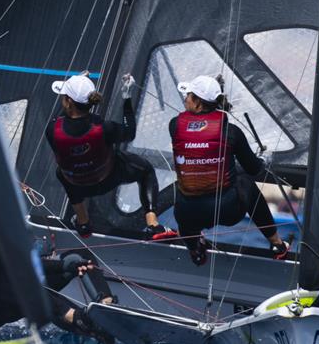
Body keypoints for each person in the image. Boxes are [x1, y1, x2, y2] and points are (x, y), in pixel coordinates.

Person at [169, 75, 289, 265]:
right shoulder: (232, 132)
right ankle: (277, 244)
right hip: (227, 211)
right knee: (246, 183)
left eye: (189, 95)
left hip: (189, 214)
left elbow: (198, 134)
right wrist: (263, 159)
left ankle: (195, 250)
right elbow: (253, 168)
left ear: (198, 103)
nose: (185, 99)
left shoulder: (174, 126)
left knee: (184, 187)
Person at [46, 73, 174, 240]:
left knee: (62, 172)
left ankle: (83, 223)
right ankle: (152, 223)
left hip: (79, 186)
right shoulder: (105, 128)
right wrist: (127, 98)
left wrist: (77, 83)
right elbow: (130, 133)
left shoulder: (51, 131)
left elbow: (65, 123)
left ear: (68, 102)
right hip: (110, 178)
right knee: (146, 170)